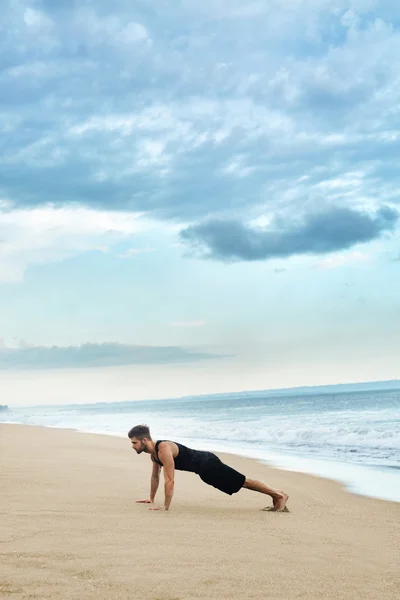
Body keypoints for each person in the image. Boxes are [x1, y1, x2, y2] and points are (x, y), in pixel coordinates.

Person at [128, 424, 289, 512]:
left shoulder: (163, 449)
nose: (133, 446)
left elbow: (169, 480)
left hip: (208, 463)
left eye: (134, 442)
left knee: (243, 481)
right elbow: (155, 477)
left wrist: (165, 507)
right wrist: (151, 498)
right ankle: (276, 495)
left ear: (144, 440)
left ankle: (278, 495)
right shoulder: (154, 455)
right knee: (240, 483)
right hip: (203, 471)